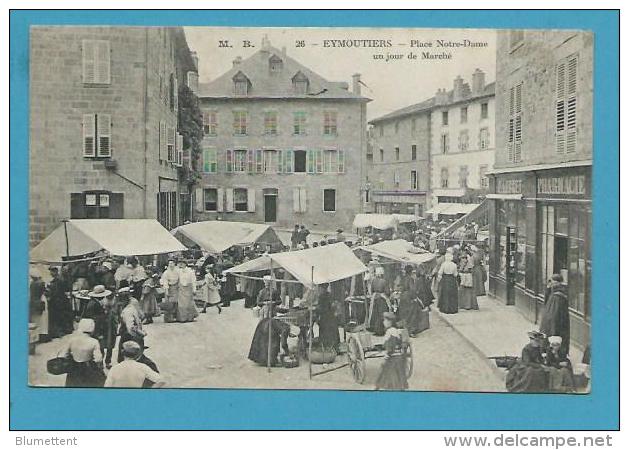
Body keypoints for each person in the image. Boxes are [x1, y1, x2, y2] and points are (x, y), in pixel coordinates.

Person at [58, 318, 106, 387]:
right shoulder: (94, 341)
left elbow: (63, 355)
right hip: (88, 369)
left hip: (74, 368)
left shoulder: (72, 340)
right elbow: (98, 359)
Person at [375, 312, 409, 390]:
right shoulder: (397, 331)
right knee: (399, 375)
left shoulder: (390, 332)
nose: (384, 323)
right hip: (399, 357)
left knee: (389, 374)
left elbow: (391, 346)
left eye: (385, 321)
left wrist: (387, 355)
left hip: (393, 358)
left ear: (390, 322)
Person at [539, 274, 571, 355]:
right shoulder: (553, 292)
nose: (551, 284)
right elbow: (546, 302)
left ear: (557, 283)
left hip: (555, 322)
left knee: (554, 336)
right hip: (550, 321)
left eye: (553, 282)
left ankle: (554, 353)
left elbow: (555, 313)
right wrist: (548, 288)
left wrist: (552, 324)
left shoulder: (558, 296)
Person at [117, 287, 146, 363]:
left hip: (129, 336)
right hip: (132, 333)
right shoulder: (132, 304)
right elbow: (141, 315)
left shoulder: (128, 310)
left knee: (130, 355)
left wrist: (139, 333)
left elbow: (130, 328)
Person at [396, 266, 425, 336]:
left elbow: (399, 287)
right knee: (412, 314)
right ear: (411, 271)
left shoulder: (402, 278)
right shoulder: (410, 279)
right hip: (409, 297)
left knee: (404, 313)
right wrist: (415, 297)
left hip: (403, 296)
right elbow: (412, 289)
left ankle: (405, 328)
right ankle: (411, 330)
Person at [47, 266, 73, 338]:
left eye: (51, 271)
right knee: (61, 316)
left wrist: (50, 289)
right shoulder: (58, 279)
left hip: (58, 301)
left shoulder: (58, 280)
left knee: (58, 316)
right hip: (61, 300)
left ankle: (59, 332)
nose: (50, 273)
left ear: (55, 272)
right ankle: (63, 330)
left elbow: (56, 292)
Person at [315, 283, 340, 350]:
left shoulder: (322, 296)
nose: (319, 289)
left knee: (324, 329)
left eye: (320, 288)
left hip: (326, 318)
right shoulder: (330, 295)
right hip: (331, 318)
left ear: (322, 288)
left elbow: (321, 309)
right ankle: (333, 346)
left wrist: (316, 310)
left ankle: (326, 346)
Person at [367, 267, 391, 336]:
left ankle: (375, 329)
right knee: (382, 314)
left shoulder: (373, 281)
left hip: (375, 299)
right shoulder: (384, 281)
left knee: (375, 314)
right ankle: (381, 330)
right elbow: (387, 292)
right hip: (382, 299)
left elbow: (371, 290)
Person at [29, 268, 47, 341]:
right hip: (42, 299)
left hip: (36, 300)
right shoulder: (42, 282)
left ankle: (37, 335)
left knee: (36, 319)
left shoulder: (33, 284)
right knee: (43, 318)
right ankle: (43, 333)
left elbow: (33, 295)